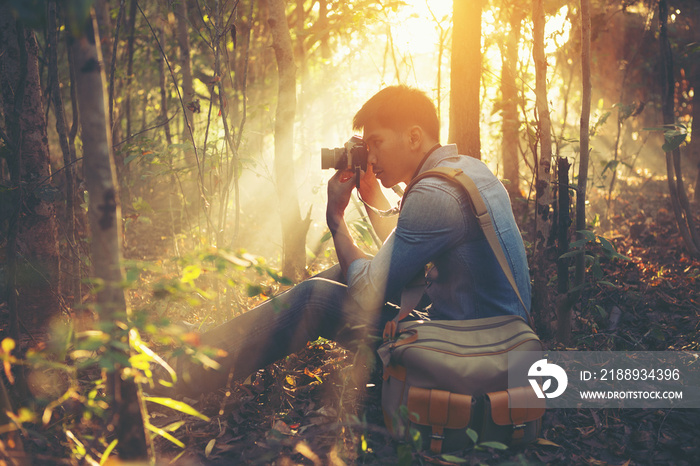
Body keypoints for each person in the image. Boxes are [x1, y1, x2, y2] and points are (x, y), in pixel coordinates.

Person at [163, 85, 531, 397]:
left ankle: (181, 374)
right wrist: (371, 196)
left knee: (314, 297)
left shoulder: (435, 195)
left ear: (414, 137)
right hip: (490, 341)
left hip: (474, 359)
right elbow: (406, 254)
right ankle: (203, 351)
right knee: (342, 269)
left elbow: (371, 288)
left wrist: (335, 217)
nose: (370, 156)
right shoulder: (465, 170)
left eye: (377, 142)